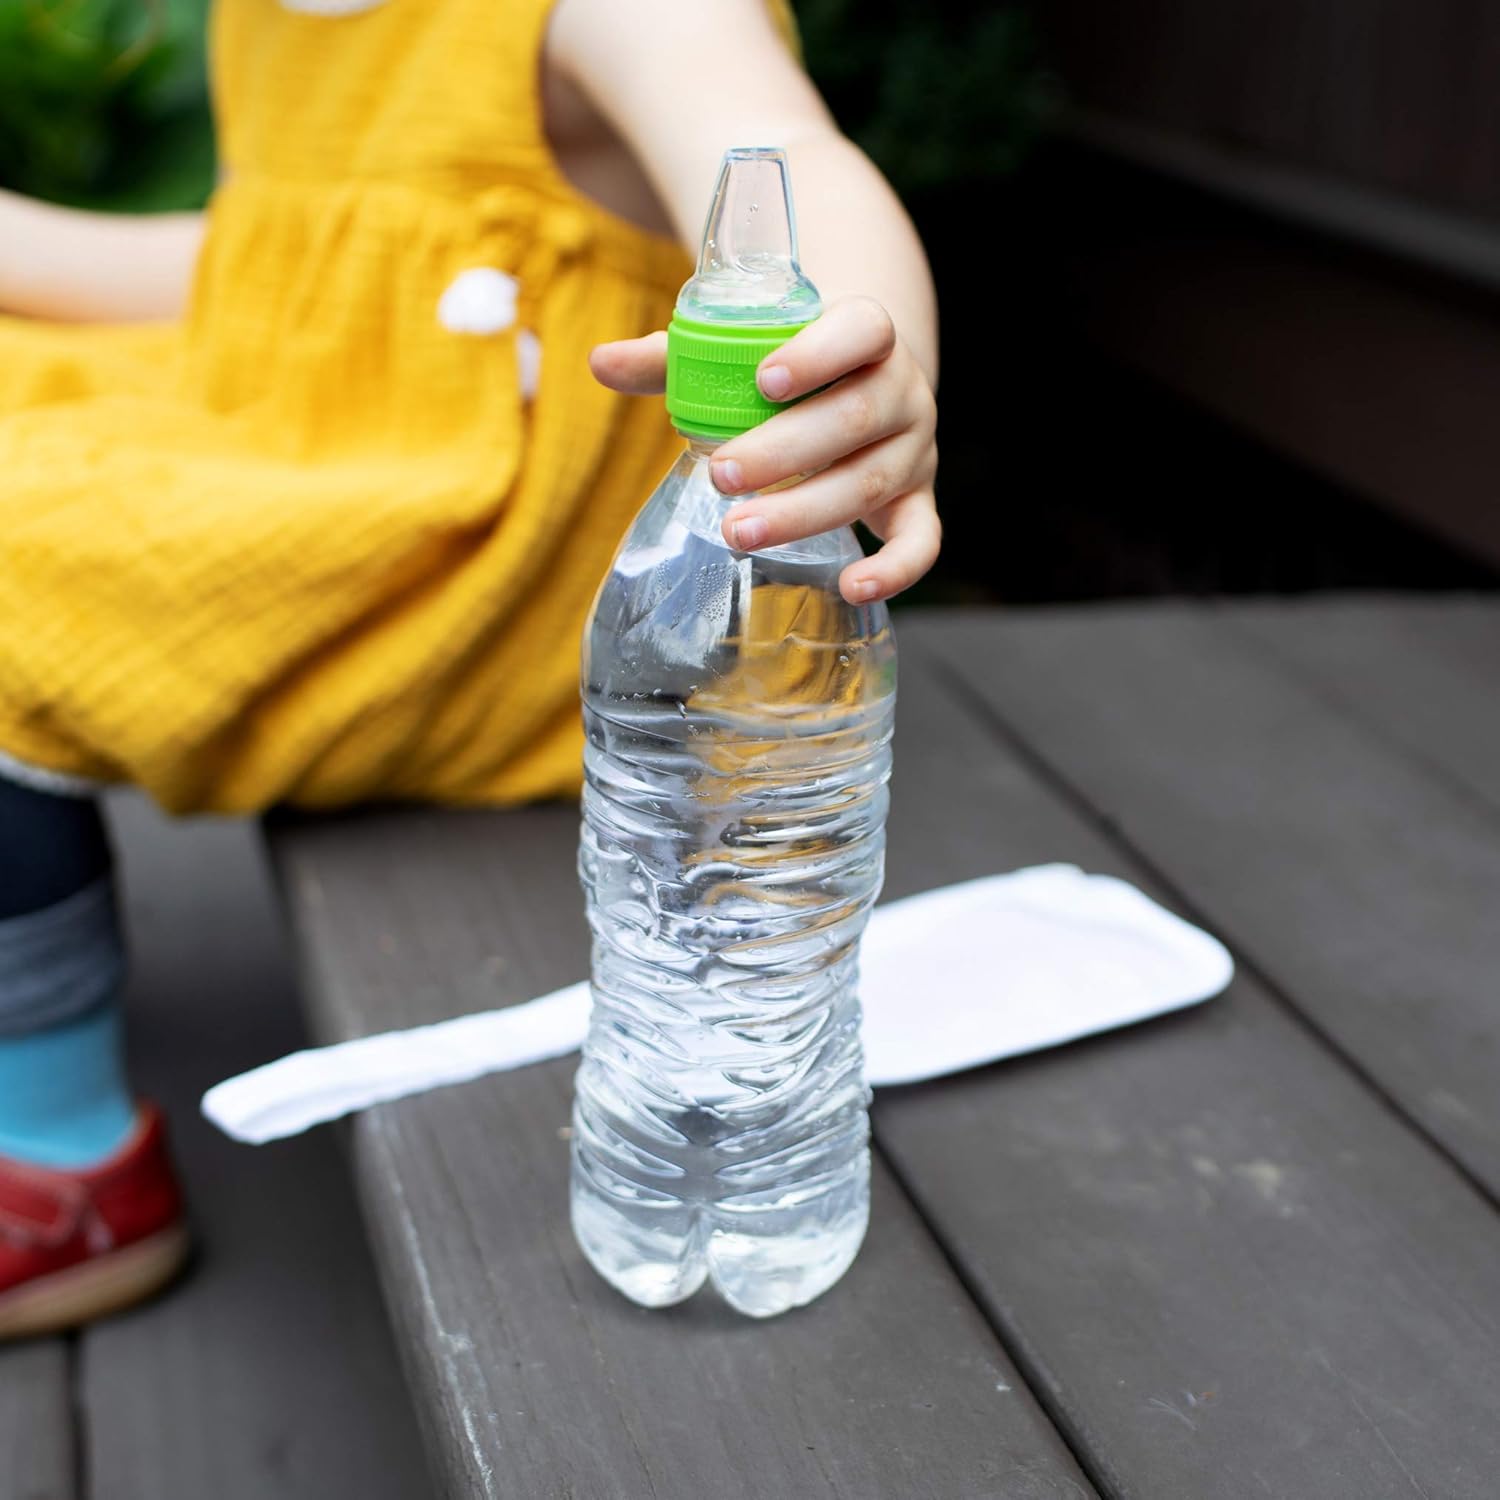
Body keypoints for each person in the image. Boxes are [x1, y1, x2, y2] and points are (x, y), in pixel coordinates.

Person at [0, 0, 939, 1336]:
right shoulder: (270, 20)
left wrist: (863, 374)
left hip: (479, 586)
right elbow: (284, 265)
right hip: (315, 447)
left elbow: (780, 151)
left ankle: (59, 1150)